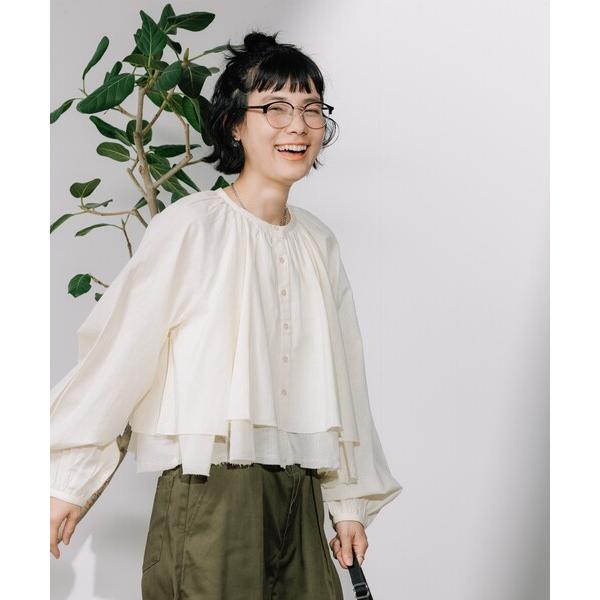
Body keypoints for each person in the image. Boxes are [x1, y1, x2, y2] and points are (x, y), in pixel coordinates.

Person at [50, 30, 403, 599]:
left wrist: (348, 505)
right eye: (275, 108)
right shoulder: (192, 226)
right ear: (236, 124)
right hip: (213, 489)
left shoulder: (319, 243)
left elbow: (345, 381)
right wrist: (68, 481)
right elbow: (120, 356)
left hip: (301, 490)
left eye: (311, 109)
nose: (297, 126)